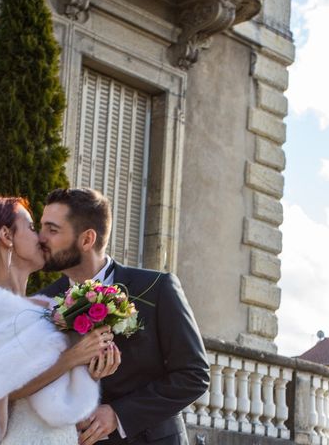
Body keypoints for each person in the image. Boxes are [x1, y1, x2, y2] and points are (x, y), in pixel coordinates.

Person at [38, 188, 210, 445]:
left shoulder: (157, 288)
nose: (40, 238)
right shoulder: (43, 303)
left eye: (52, 230)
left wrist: (119, 414)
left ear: (87, 240)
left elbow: (194, 375)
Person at [0, 196, 121, 445]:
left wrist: (93, 369)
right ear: (7, 236)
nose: (40, 237)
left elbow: (48, 389)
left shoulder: (44, 308)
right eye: (30, 227)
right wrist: (73, 357)